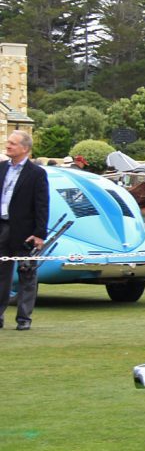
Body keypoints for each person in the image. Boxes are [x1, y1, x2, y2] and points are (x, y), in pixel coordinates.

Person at [0, 130, 48, 330]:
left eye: (13, 143)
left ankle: (24, 319)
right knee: (1, 274)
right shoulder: (1, 168)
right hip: (2, 227)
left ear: (25, 148)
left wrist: (39, 233)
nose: (8, 145)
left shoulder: (36, 173)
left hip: (25, 231)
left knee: (27, 274)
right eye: (8, 142)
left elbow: (42, 205)